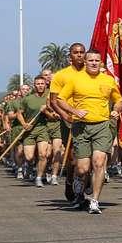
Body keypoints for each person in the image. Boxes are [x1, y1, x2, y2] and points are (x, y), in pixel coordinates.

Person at [54, 49, 122, 214]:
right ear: (85, 62)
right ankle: (79, 194)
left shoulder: (108, 80)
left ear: (101, 63)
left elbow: (119, 99)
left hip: (102, 126)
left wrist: (116, 109)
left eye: (97, 61)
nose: (94, 63)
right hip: (81, 127)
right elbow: (60, 99)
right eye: (91, 60)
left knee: (99, 163)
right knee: (82, 169)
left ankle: (95, 200)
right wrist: (74, 111)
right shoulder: (75, 80)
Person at [49, 43, 87, 196]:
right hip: (69, 119)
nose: (79, 55)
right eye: (75, 52)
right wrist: (64, 115)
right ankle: (70, 181)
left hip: (89, 118)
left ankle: (85, 183)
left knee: (89, 157)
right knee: (73, 158)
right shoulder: (61, 75)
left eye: (81, 52)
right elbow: (53, 100)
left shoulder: (91, 72)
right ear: (70, 56)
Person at [16, 75, 57, 187]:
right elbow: (19, 113)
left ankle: (39, 177)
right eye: (38, 84)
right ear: (34, 86)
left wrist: (47, 111)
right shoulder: (28, 99)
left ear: (45, 85)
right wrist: (24, 124)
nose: (40, 86)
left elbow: (54, 114)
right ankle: (29, 166)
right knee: (29, 157)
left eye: (42, 84)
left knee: (43, 155)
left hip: (43, 129)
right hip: (29, 130)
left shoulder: (49, 97)